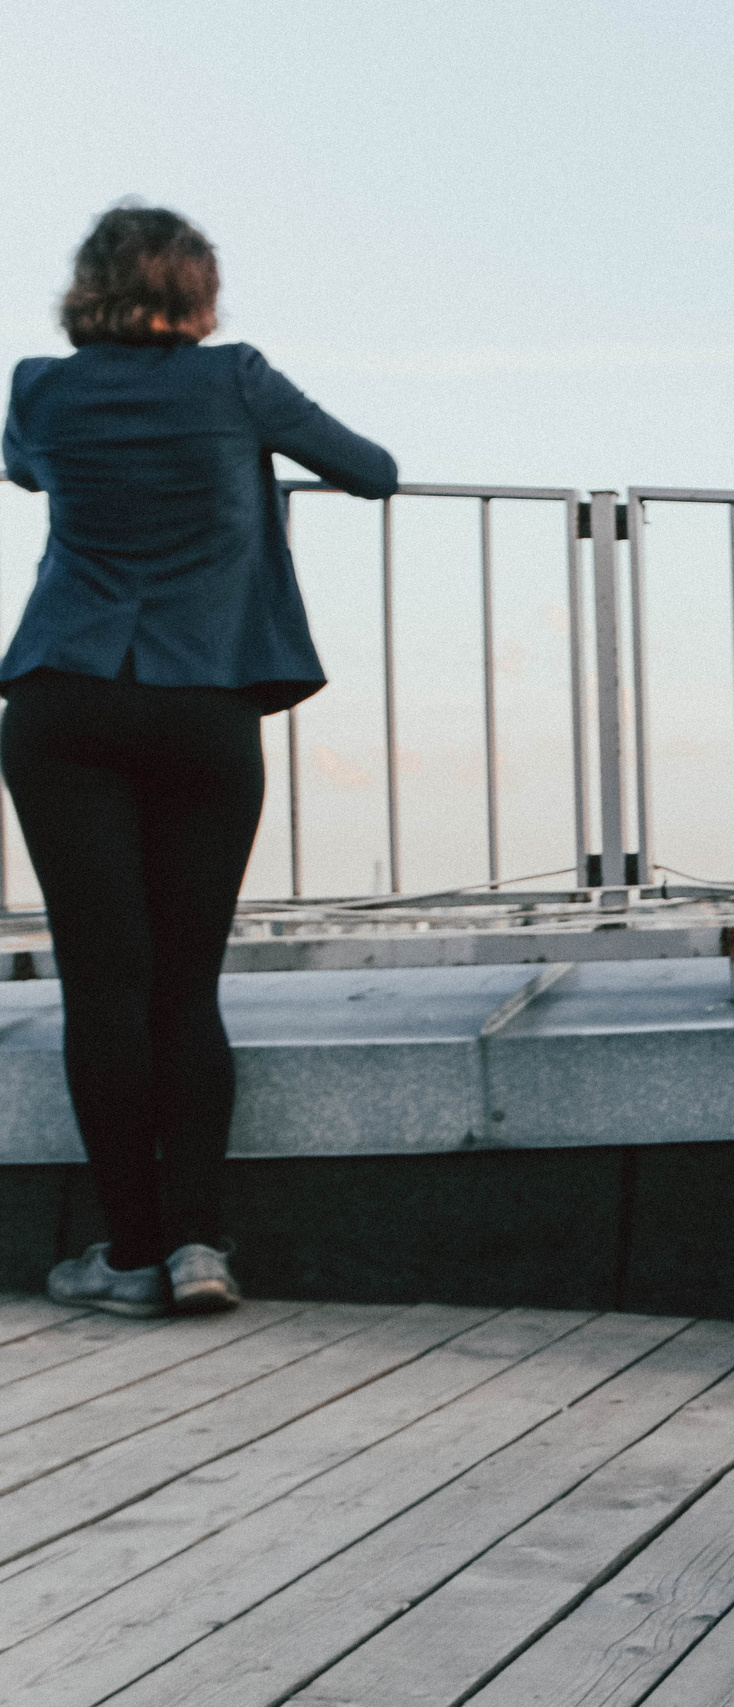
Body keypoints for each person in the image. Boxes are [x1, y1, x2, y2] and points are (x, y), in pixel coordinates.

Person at [4, 205, 397, 1317]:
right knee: (186, 985)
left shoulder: (38, 386)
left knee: (104, 984)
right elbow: (372, 471)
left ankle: (125, 1257)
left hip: (65, 699)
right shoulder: (235, 380)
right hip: (203, 708)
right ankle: (199, 1249)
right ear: (200, 287)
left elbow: (26, 472)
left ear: (87, 289)